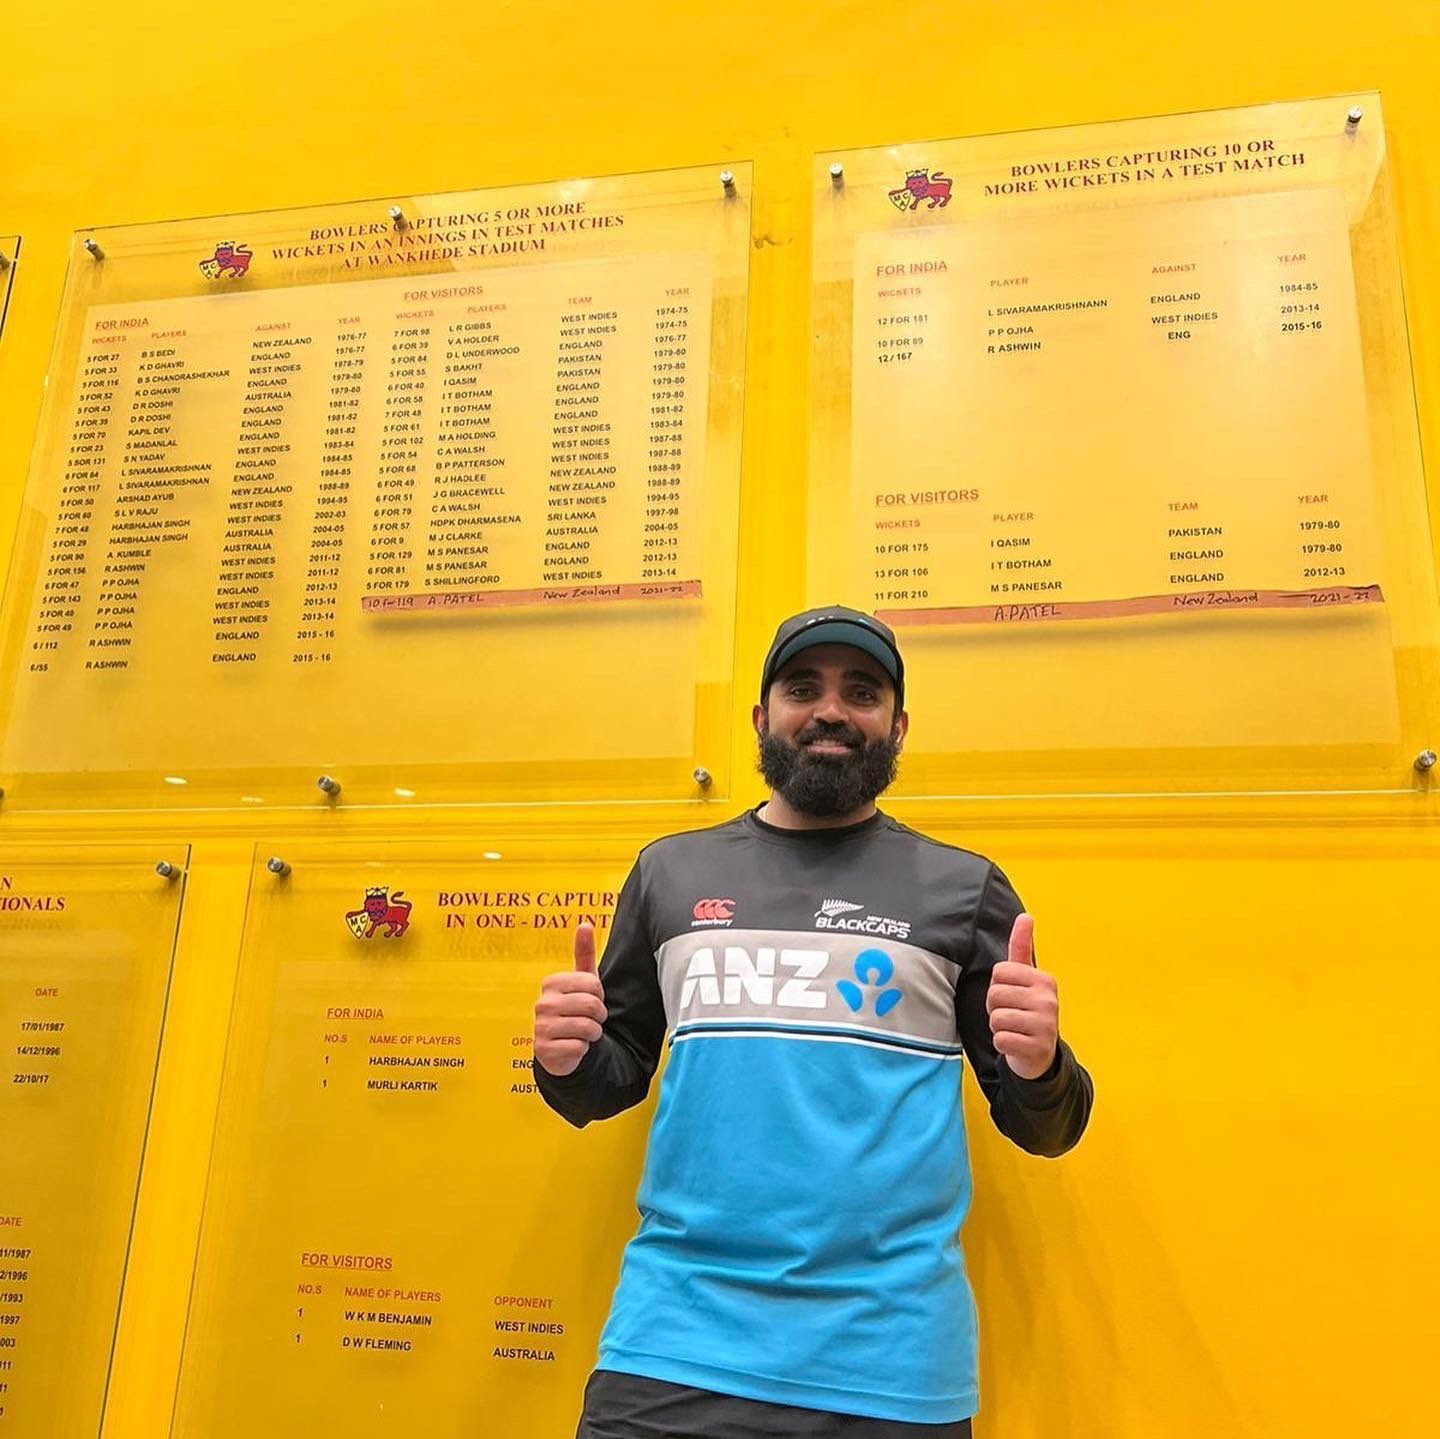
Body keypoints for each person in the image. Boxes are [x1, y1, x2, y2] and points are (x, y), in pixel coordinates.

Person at [534, 605, 1093, 1438]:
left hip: (889, 1365)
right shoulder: (669, 872)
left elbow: (1048, 1127)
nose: (832, 709)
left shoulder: (964, 889)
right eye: (804, 687)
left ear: (896, 726)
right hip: (671, 1347)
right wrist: (567, 1058)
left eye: (861, 692)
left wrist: (1041, 1064)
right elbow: (601, 1087)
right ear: (763, 718)